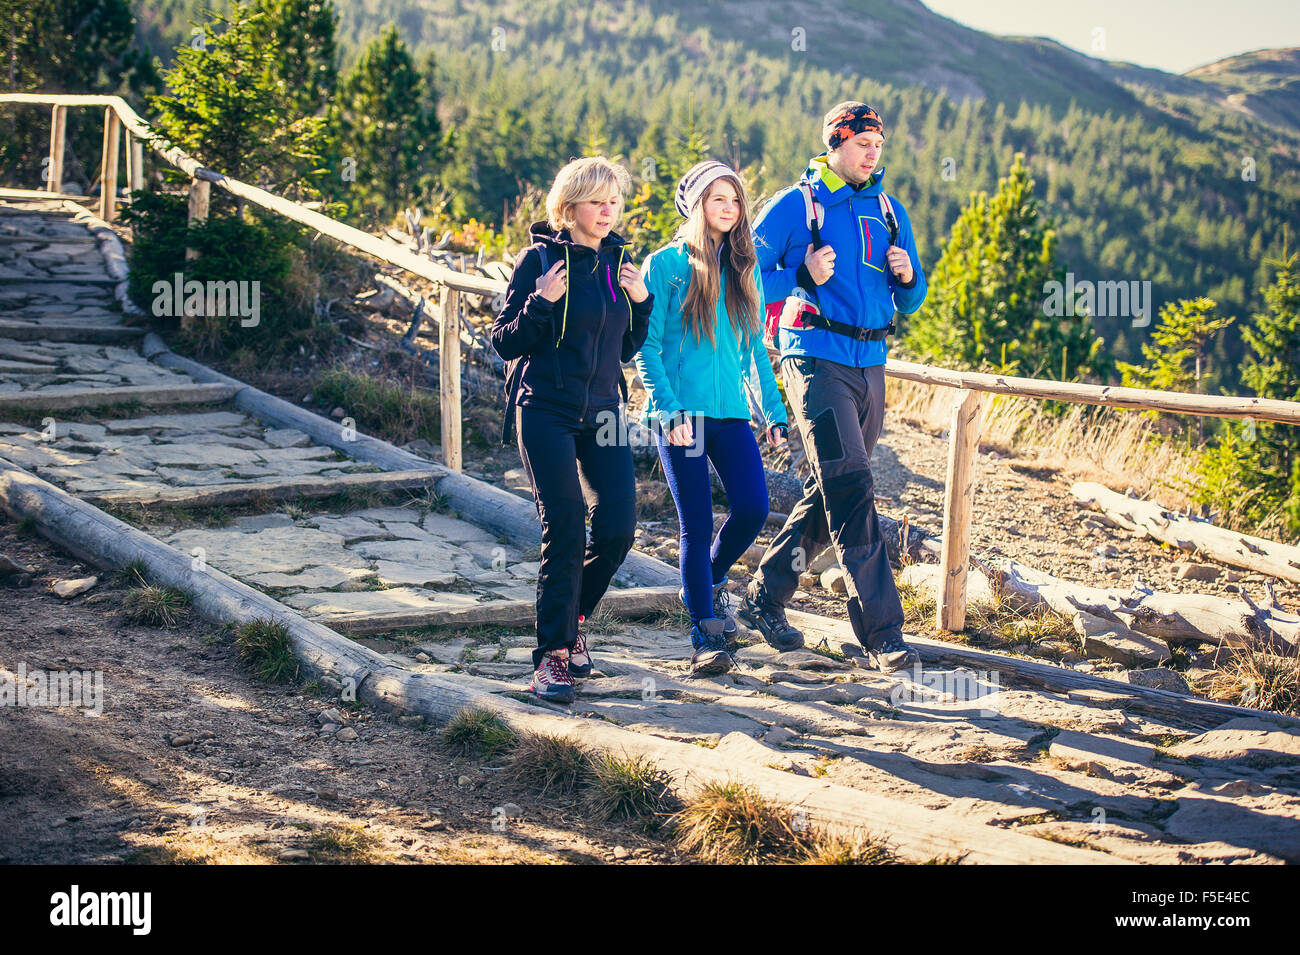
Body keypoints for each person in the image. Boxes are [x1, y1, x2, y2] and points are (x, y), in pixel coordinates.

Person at [736, 102, 928, 673]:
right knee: (853, 487)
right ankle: (883, 634)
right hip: (815, 356)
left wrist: (908, 276)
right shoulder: (798, 205)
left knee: (833, 489)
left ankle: (764, 598)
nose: (873, 152)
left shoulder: (889, 211)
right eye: (863, 141)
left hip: (872, 360)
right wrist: (800, 275)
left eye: (879, 143)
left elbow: (913, 298)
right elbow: (742, 274)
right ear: (836, 143)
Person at [490, 156, 653, 703]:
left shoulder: (619, 263)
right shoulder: (539, 260)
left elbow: (626, 349)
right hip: (546, 410)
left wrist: (641, 302)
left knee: (618, 528)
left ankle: (575, 616)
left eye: (613, 202)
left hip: (604, 411)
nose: (607, 212)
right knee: (564, 524)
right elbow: (505, 340)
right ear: (569, 207)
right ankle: (552, 656)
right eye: (595, 202)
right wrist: (542, 301)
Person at [635, 161, 789, 677]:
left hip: (731, 415)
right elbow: (647, 347)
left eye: (735, 200)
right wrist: (669, 409)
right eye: (716, 198)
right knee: (696, 524)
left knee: (753, 507)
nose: (728, 208)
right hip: (682, 416)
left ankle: (708, 579)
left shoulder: (745, 269)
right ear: (695, 204)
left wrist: (773, 412)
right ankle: (704, 631)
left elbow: (755, 350)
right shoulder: (666, 264)